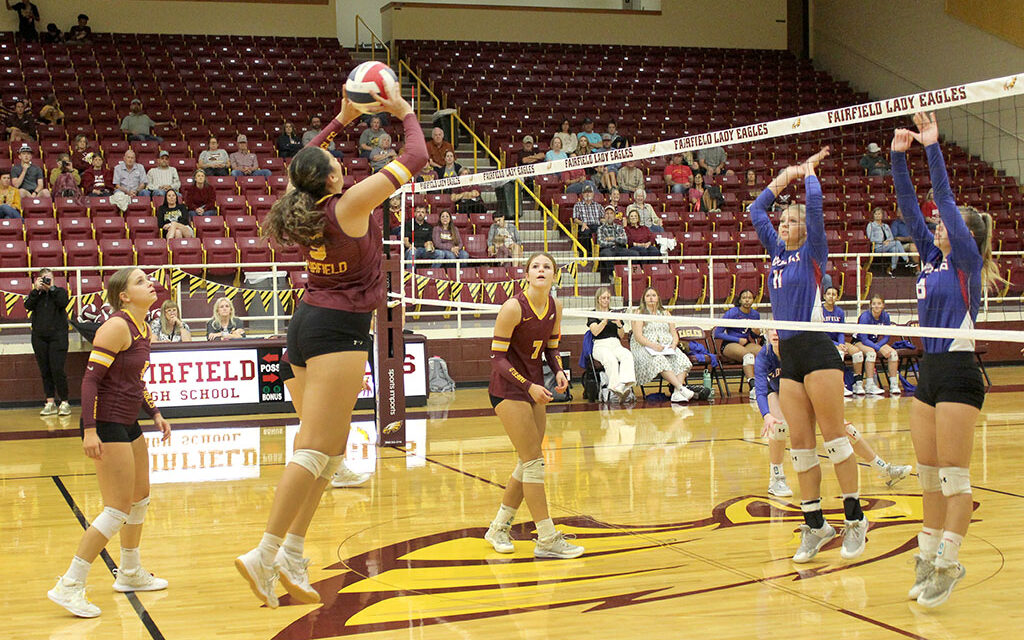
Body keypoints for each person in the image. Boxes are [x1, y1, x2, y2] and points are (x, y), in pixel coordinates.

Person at [236, 87, 426, 608]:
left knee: (332, 451)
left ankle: (292, 551)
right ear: (335, 178)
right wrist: (405, 112)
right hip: (337, 330)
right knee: (315, 448)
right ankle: (264, 550)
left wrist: (339, 122)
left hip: (306, 324)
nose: (343, 165)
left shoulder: (302, 204)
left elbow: (300, 169)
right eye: (338, 162)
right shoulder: (352, 203)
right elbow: (416, 157)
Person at [891, 113, 999, 607]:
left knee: (955, 480)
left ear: (964, 235)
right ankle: (927, 555)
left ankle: (949, 563)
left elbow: (945, 204)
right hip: (928, 373)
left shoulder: (966, 263)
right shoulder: (932, 258)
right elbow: (910, 206)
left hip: (958, 374)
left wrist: (932, 147)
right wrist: (897, 156)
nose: (936, 226)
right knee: (929, 476)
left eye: (944, 225)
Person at [750, 145, 868, 563]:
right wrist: (784, 178)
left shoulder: (813, 254)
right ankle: (816, 526)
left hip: (818, 350)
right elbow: (754, 210)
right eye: (782, 220)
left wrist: (810, 175)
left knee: (835, 442)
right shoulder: (777, 253)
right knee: (800, 447)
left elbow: (815, 213)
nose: (783, 224)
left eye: (791, 220)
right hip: (790, 358)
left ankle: (855, 521)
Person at [46, 267, 171, 618]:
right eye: (141, 281)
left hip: (129, 420)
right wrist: (89, 430)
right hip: (107, 423)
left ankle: (130, 572)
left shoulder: (144, 326)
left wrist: (155, 413)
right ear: (124, 296)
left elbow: (133, 379)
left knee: (140, 498)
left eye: (149, 279)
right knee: (116, 509)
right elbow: (90, 382)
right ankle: (69, 584)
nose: (151, 284)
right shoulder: (116, 326)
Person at [483, 252, 583, 559]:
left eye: (547, 267)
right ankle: (547, 538)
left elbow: (551, 349)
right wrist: (528, 385)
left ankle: (499, 527)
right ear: (526, 275)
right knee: (534, 462)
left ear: (555, 276)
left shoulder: (556, 306)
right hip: (508, 389)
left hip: (535, 389)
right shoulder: (513, 307)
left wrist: (559, 371)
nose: (541, 270)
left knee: (527, 462)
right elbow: (497, 359)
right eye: (535, 266)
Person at [755, 329, 912, 498]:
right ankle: (776, 478)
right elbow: (761, 389)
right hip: (777, 391)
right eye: (771, 329)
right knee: (778, 425)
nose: (776, 333)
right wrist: (767, 415)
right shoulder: (764, 356)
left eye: (779, 329)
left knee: (844, 427)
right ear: (765, 333)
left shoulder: (797, 351)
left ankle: (884, 469)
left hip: (804, 389)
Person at [629, 287, 707, 403]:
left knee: (682, 360)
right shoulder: (639, 313)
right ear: (643, 299)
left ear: (658, 298)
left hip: (666, 347)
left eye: (653, 295)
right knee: (659, 360)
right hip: (644, 347)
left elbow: (674, 334)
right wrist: (653, 346)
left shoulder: (665, 313)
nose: (651, 298)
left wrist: (674, 345)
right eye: (648, 296)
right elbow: (638, 337)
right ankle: (681, 388)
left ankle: (676, 393)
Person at [25, 267, 70, 416]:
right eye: (43, 278)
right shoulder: (36, 294)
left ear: (53, 279)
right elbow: (28, 305)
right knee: (45, 371)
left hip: (58, 337)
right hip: (39, 337)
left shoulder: (60, 292)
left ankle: (64, 402)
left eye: (48, 278)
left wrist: (51, 289)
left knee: (57, 369)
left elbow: (63, 302)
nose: (46, 281)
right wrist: (36, 290)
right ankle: (50, 402)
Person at [587, 286, 636, 402]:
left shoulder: (615, 312)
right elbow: (595, 331)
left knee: (627, 355)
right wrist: (605, 320)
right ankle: (615, 387)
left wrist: (619, 324)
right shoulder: (593, 314)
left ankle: (625, 385)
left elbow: (621, 335)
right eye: (603, 298)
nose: (606, 300)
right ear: (598, 299)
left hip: (615, 343)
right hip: (600, 345)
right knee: (611, 360)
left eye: (608, 298)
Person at [713, 289, 762, 400]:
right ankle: (753, 388)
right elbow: (717, 333)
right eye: (744, 298)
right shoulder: (732, 313)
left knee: (763, 353)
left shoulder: (755, 314)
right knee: (748, 356)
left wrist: (756, 333)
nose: (747, 300)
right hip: (730, 344)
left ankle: (766, 384)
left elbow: (753, 336)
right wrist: (737, 339)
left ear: (753, 300)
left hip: (745, 343)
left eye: (749, 298)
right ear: (740, 300)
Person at [850, 294, 900, 395]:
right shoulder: (865, 317)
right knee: (871, 353)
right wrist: (879, 348)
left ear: (883, 305)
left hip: (873, 342)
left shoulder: (885, 316)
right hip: (859, 342)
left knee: (893, 353)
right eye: (874, 304)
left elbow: (886, 337)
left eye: (879, 303)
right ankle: (869, 385)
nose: (876, 306)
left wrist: (880, 346)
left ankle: (894, 385)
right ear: (870, 305)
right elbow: (864, 339)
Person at [821, 285, 853, 397]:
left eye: (834, 294)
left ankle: (859, 383)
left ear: (837, 297)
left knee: (857, 353)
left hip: (836, 342)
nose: (831, 297)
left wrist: (841, 343)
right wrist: (836, 345)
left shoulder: (839, 312)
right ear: (824, 296)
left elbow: (841, 331)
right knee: (839, 353)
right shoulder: (819, 310)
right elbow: (821, 333)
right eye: (829, 294)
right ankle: (839, 385)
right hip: (822, 341)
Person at [867, 206, 914, 276]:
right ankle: (906, 260)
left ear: (882, 215)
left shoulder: (886, 226)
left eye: (879, 214)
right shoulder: (871, 225)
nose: (877, 215)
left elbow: (891, 237)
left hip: (887, 245)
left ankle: (892, 269)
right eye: (876, 214)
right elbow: (870, 238)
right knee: (897, 243)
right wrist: (882, 241)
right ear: (873, 215)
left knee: (895, 249)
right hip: (878, 246)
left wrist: (888, 241)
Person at [595, 205, 637, 282]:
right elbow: (601, 242)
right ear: (604, 216)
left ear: (614, 216)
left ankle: (632, 275)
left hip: (620, 248)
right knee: (607, 254)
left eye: (611, 213)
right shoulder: (600, 228)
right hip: (607, 249)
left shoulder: (619, 227)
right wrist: (616, 241)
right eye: (607, 213)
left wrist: (611, 239)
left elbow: (624, 240)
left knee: (635, 254)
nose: (609, 215)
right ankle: (612, 275)